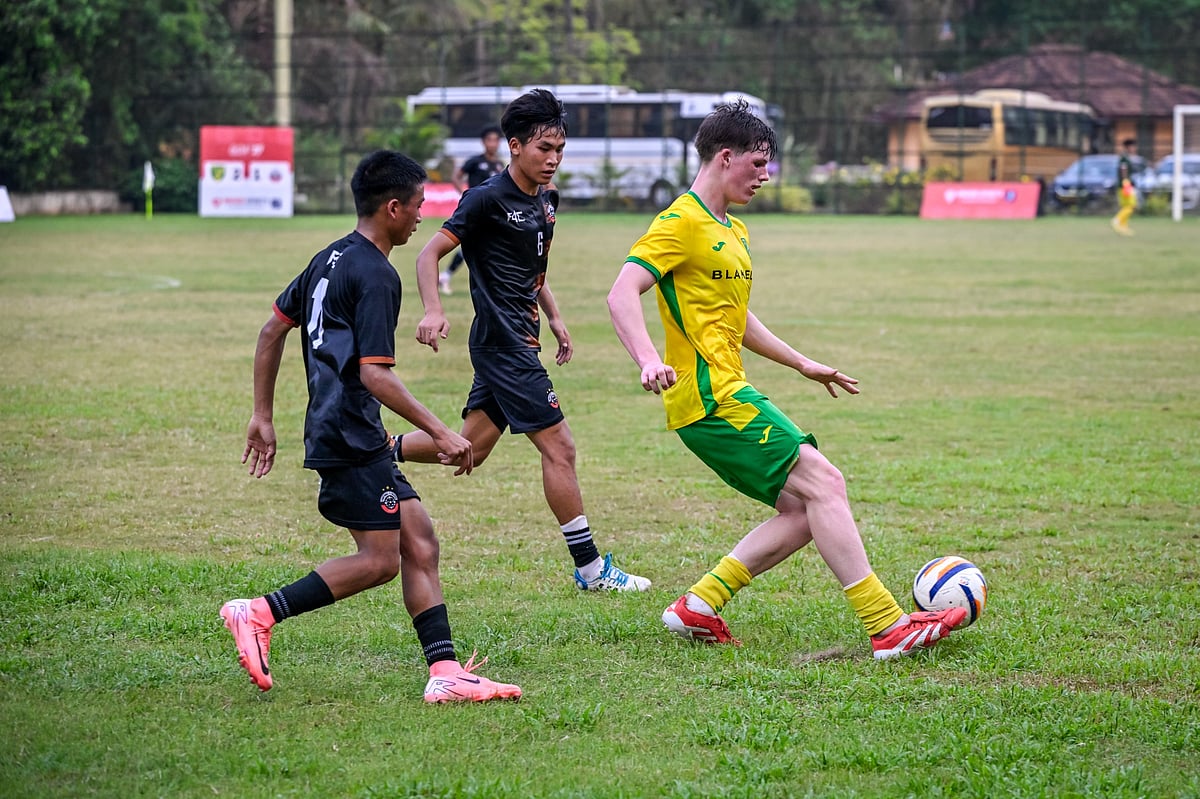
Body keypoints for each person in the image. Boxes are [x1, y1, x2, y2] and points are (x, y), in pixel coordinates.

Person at [607, 100, 966, 659]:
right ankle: (887, 625)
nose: (766, 175)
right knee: (826, 482)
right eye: (758, 164)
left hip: (726, 393)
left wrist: (801, 362)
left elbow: (736, 317)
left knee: (803, 510)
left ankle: (698, 605)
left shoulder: (734, 229)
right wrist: (648, 358)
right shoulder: (680, 222)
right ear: (726, 157)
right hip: (710, 397)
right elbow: (622, 291)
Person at [220, 150, 521, 703]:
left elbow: (271, 331)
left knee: (420, 540)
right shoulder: (378, 275)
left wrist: (262, 415)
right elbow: (375, 375)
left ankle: (445, 672)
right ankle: (259, 611)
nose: (422, 216)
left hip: (347, 428)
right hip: (350, 432)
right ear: (392, 208)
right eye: (418, 206)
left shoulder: (328, 258)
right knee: (380, 561)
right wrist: (443, 431)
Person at [393, 88, 650, 593]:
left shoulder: (547, 202)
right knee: (560, 448)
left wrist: (554, 316)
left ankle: (375, 448)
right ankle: (591, 570)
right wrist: (434, 309)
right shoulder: (485, 198)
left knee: (469, 448)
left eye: (560, 150)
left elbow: (534, 270)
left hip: (522, 339)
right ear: (514, 146)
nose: (553, 159)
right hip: (502, 345)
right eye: (543, 148)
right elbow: (429, 254)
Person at [439, 125, 506, 295]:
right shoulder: (475, 161)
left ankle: (447, 276)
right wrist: (464, 194)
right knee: (474, 245)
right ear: (483, 142)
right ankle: (447, 276)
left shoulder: (499, 165)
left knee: (480, 245)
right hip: (477, 211)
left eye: (496, 140)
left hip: (492, 213)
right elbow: (456, 176)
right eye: (489, 140)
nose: (492, 143)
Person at [1111, 137, 1138, 236]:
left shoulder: (1126, 157)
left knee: (1126, 206)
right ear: (1128, 147)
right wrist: (1125, 181)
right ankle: (1117, 220)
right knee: (1131, 205)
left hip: (1125, 184)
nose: (1134, 148)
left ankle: (1123, 226)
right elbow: (1123, 169)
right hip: (1125, 185)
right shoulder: (1124, 158)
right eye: (1133, 146)